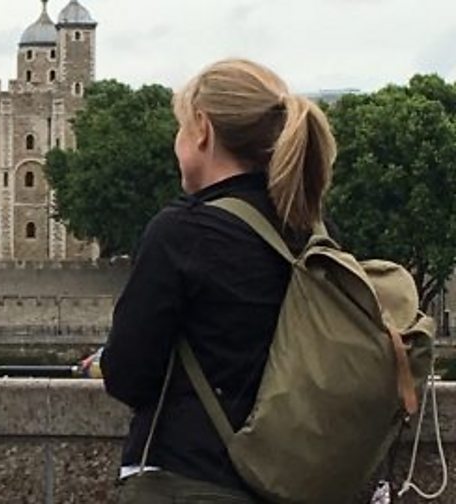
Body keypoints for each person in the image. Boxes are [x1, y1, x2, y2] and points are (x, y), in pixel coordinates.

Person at [100, 58, 337, 503]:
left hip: (192, 477)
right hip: (297, 482)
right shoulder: (312, 231)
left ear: (202, 130)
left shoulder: (183, 232)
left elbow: (127, 376)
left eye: (181, 127)